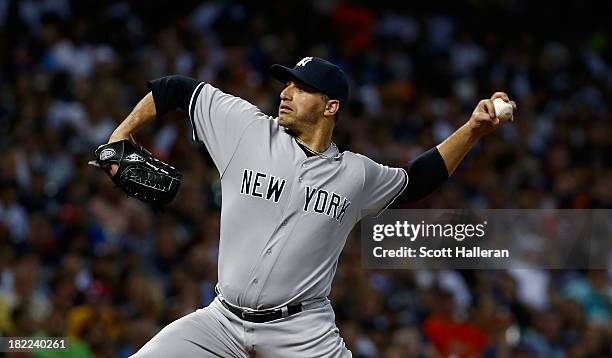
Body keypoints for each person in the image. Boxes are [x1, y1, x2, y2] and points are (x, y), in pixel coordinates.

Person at [101, 57, 516, 357]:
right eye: (287, 84)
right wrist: (120, 136)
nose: (286, 93)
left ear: (330, 106)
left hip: (301, 331)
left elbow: (417, 179)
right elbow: (176, 89)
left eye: (301, 88)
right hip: (221, 321)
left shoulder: (356, 175)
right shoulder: (246, 129)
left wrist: (472, 130)